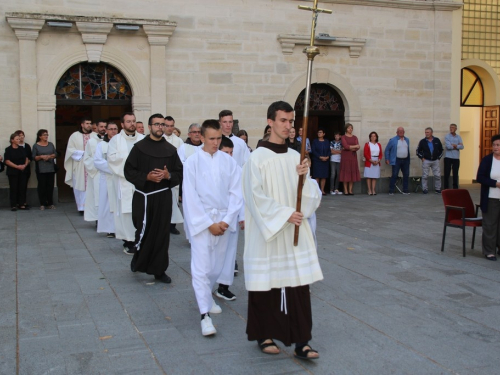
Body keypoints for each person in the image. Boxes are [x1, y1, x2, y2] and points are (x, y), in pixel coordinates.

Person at [243, 101, 322, 360]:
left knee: (298, 287)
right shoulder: (256, 158)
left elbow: (310, 198)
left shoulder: (296, 157)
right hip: (269, 233)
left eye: (292, 121)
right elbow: (255, 198)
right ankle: (263, 334)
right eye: (284, 121)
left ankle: (302, 341)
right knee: (265, 285)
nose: (289, 126)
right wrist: (284, 214)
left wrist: (305, 176)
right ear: (270, 122)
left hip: (293, 233)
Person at [183, 119, 243, 336]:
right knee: (201, 267)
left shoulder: (228, 162)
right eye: (212, 139)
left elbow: (236, 192)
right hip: (203, 222)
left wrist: (226, 220)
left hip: (223, 220)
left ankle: (207, 296)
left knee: (217, 266)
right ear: (201, 137)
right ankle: (204, 315)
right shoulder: (192, 162)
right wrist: (208, 223)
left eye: (219, 138)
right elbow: (190, 197)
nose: (216, 143)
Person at [125, 113, 183, 283]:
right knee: (143, 231)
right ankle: (138, 259)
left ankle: (159, 270)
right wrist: (146, 178)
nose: (159, 127)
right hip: (143, 197)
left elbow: (180, 173)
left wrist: (168, 175)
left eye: (162, 124)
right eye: (156, 124)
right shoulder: (139, 148)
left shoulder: (171, 150)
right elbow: (129, 171)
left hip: (162, 197)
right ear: (149, 127)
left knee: (162, 234)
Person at [108, 112, 145, 254]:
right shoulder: (115, 140)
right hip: (124, 181)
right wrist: (131, 161)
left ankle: (140, 238)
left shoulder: (143, 139)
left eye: (134, 121)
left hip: (140, 181)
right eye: (128, 121)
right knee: (126, 212)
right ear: (122, 124)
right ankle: (129, 241)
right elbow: (112, 159)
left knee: (141, 210)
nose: (132, 124)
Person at [215, 136, 244, 301]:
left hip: (231, 217)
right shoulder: (210, 168)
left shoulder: (237, 169)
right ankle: (205, 286)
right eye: (226, 152)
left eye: (231, 152)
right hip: (213, 218)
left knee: (229, 253)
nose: (229, 156)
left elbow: (242, 195)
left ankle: (223, 286)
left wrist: (243, 216)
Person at [476, 134, 500, 261]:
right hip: (491, 197)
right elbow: (480, 177)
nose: (496, 147)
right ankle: (489, 251)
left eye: (498, 145)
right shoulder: (487, 160)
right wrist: (495, 183)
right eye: (494, 145)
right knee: (490, 224)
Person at [94, 122, 119, 238]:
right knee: (108, 204)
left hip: (120, 178)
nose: (113, 131)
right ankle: (110, 229)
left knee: (119, 203)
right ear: (107, 131)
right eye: (111, 129)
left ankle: (120, 227)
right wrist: (114, 168)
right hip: (107, 178)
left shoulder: (121, 144)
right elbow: (98, 161)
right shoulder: (101, 145)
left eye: (115, 129)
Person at [64, 117, 93, 214]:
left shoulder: (95, 136)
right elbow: (70, 150)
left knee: (92, 186)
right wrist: (83, 153)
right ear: (82, 124)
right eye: (87, 123)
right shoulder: (74, 136)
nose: (89, 125)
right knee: (80, 186)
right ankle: (81, 207)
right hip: (79, 165)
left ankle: (91, 207)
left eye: (90, 123)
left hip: (92, 165)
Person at [163, 115, 184, 235]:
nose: (169, 128)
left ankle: (172, 225)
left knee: (174, 200)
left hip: (173, 174)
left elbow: (180, 158)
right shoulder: (159, 138)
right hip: (163, 173)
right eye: (167, 126)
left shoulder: (178, 141)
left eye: (172, 126)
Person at [83, 120, 106, 222]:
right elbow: (86, 158)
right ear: (96, 127)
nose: (103, 128)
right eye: (101, 126)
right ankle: (98, 219)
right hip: (96, 173)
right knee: (97, 197)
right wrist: (98, 165)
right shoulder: (91, 142)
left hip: (109, 173)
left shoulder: (112, 141)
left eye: (105, 126)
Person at [32, 129, 57, 210]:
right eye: (44, 135)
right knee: (42, 186)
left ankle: (50, 203)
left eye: (47, 134)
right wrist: (41, 157)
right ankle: (42, 203)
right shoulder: (36, 145)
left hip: (51, 168)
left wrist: (49, 156)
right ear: (40, 136)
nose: (46, 136)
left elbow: (55, 154)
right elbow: (33, 157)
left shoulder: (50, 144)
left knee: (50, 186)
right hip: (41, 169)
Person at [4, 133, 30, 211]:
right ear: (12, 140)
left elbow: (26, 158)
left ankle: (21, 204)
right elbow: (7, 161)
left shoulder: (22, 148)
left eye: (19, 139)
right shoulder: (8, 149)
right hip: (13, 171)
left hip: (22, 171)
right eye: (17, 139)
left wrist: (25, 165)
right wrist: (17, 166)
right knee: (14, 188)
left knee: (22, 187)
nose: (19, 140)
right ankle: (13, 205)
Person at [416, 127, 443, 194]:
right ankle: (425, 189)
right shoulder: (422, 141)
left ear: (431, 133)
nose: (426, 134)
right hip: (426, 160)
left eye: (428, 132)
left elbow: (441, 150)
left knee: (437, 175)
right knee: (425, 175)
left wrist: (438, 158)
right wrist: (422, 158)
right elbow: (418, 151)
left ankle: (438, 189)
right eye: (425, 132)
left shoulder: (437, 140)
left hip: (435, 160)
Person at [385, 127, 411, 195]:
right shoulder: (393, 140)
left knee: (406, 175)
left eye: (402, 131)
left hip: (405, 160)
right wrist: (387, 159)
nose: (401, 132)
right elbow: (387, 150)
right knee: (394, 175)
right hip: (396, 160)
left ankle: (405, 190)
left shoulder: (407, 140)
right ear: (396, 132)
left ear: (404, 132)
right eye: (399, 131)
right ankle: (391, 190)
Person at [340, 123, 360, 195]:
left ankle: (350, 190)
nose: (350, 129)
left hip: (353, 157)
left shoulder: (355, 137)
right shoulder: (343, 137)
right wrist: (353, 147)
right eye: (349, 128)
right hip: (345, 157)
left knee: (352, 172)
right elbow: (345, 146)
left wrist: (351, 147)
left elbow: (358, 147)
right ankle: (345, 190)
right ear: (346, 129)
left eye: (351, 128)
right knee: (346, 172)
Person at [15, 130, 32, 208]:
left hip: (25, 169)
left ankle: (23, 201)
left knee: (24, 186)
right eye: (19, 135)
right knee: (16, 186)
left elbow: (29, 157)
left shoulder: (27, 146)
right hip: (15, 169)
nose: (21, 137)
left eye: (22, 135)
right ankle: (17, 202)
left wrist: (25, 165)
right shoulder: (14, 146)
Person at [444, 123, 463, 190]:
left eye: (453, 127)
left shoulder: (458, 137)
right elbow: (448, 147)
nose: (451, 128)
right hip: (448, 157)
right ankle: (446, 187)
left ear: (456, 129)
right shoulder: (447, 136)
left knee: (455, 173)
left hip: (456, 157)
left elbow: (462, 146)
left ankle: (455, 187)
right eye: (450, 127)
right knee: (447, 173)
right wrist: (457, 146)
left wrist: (455, 145)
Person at [311, 128, 330, 195]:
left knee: (323, 176)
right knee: (317, 176)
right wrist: (320, 157)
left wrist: (327, 156)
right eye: (318, 132)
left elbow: (329, 150)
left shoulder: (327, 141)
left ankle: (322, 190)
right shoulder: (315, 141)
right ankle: (317, 191)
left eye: (321, 132)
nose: (319, 133)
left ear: (324, 134)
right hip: (317, 160)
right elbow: (313, 150)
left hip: (325, 161)